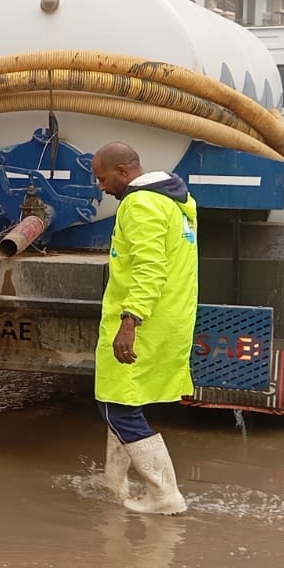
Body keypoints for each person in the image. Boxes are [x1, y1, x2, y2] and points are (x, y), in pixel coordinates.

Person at [91, 142, 198, 515]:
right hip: (169, 316)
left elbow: (149, 268)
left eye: (102, 178)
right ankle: (115, 482)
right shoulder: (174, 200)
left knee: (117, 407)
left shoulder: (141, 205)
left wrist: (130, 320)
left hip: (146, 321)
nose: (100, 187)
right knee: (122, 398)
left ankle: (164, 495)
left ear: (123, 171)